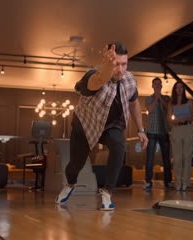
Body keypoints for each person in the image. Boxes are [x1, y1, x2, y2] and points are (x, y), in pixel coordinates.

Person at [55, 42, 148, 210]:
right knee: (76, 163)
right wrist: (107, 66)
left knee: (119, 145)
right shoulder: (92, 75)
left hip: (111, 125)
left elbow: (134, 104)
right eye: (116, 64)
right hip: (86, 124)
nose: (120, 69)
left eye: (124, 64)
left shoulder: (129, 79)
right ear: (107, 63)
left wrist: (141, 129)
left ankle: (107, 191)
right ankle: (70, 184)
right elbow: (99, 80)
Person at [143, 77, 172, 190]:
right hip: (151, 131)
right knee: (150, 158)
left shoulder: (166, 98)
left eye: (159, 84)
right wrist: (156, 97)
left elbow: (168, 108)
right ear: (152, 86)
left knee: (166, 158)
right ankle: (148, 182)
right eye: (155, 84)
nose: (157, 86)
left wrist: (160, 97)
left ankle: (168, 181)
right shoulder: (148, 98)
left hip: (164, 131)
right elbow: (150, 109)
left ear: (161, 86)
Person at [167, 81, 193, 191]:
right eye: (177, 87)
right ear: (174, 90)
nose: (179, 89)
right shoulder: (171, 103)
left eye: (181, 87)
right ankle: (178, 182)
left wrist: (185, 119)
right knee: (177, 157)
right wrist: (175, 121)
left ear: (184, 89)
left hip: (187, 128)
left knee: (187, 156)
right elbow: (169, 118)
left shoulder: (189, 102)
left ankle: (186, 183)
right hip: (176, 129)